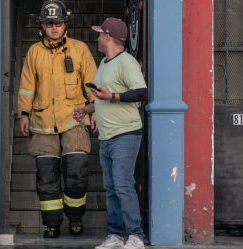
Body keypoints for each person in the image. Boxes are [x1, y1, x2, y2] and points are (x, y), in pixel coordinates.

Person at [17, 0, 97, 238]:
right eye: (49, 23)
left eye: (58, 23)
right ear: (42, 25)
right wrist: (23, 113)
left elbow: (92, 84)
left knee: (76, 174)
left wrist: (94, 112)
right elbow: (27, 87)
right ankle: (52, 224)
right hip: (42, 124)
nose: (54, 28)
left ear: (65, 25)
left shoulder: (80, 49)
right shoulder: (34, 52)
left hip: (74, 120)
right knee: (47, 177)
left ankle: (75, 220)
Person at [73, 17, 147, 249]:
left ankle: (135, 236)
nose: (97, 38)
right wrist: (85, 109)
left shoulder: (127, 62)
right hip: (106, 137)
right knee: (112, 188)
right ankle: (114, 236)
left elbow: (142, 93)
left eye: (99, 34)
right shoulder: (104, 63)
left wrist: (113, 97)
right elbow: (100, 97)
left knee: (123, 185)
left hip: (126, 134)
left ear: (108, 37)